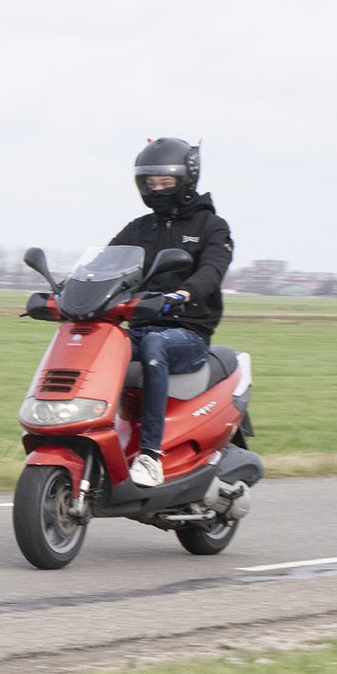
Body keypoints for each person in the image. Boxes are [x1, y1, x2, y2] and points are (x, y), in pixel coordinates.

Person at [109, 137, 234, 488]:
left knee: (156, 347)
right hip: (142, 323)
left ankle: (150, 455)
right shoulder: (139, 228)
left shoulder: (212, 227)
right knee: (99, 345)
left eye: (167, 183)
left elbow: (211, 270)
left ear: (187, 181)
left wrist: (184, 293)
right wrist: (69, 288)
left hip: (187, 332)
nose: (159, 189)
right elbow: (107, 262)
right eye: (151, 183)